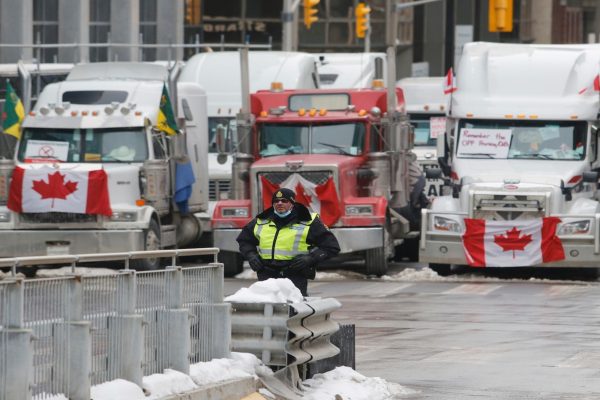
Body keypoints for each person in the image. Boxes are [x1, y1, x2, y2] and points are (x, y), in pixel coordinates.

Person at [236, 188, 340, 296]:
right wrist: (251, 255)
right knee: (267, 309)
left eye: (284, 201)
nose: (280, 203)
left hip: (295, 274)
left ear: (292, 203)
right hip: (267, 275)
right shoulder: (261, 221)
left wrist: (311, 258)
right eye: (276, 201)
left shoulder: (308, 221)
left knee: (294, 309)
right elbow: (244, 240)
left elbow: (331, 247)